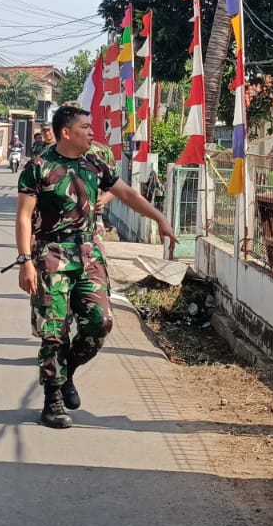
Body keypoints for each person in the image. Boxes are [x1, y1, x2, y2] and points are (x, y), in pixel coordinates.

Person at [14, 104, 177, 429]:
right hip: (51, 256)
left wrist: (159, 217)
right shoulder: (38, 167)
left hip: (89, 256)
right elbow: (23, 217)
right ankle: (53, 399)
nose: (92, 133)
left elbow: (127, 193)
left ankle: (67, 372)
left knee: (99, 323)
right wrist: (25, 262)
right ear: (66, 132)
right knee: (54, 332)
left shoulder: (95, 162)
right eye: (85, 128)